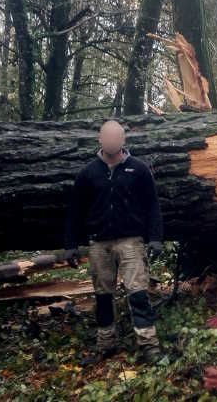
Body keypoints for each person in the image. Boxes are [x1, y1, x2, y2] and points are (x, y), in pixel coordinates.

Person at [63, 120, 164, 364]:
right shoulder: (88, 173)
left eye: (116, 137)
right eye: (107, 137)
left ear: (123, 140)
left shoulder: (138, 169)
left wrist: (156, 238)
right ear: (100, 139)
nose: (111, 141)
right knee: (103, 296)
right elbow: (76, 210)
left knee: (138, 293)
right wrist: (70, 245)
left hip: (131, 241)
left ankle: (149, 347)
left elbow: (153, 205)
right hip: (99, 243)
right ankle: (106, 344)